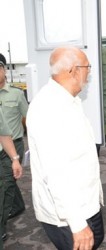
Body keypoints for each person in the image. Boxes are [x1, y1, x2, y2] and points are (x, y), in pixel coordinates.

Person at [26, 46, 104, 250]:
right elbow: (56, 173)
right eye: (88, 67)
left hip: (84, 204)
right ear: (74, 70)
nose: (89, 72)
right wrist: (78, 225)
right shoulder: (49, 108)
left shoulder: (68, 101)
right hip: (69, 216)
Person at [0, 53, 28, 240]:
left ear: (3, 70)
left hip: (13, 146)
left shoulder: (17, 93)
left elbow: (27, 118)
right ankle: (18, 206)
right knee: (7, 182)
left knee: (6, 186)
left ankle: (1, 227)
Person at [0, 101, 23, 250]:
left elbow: (3, 132)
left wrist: (15, 159)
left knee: (7, 188)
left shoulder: (17, 94)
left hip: (5, 153)